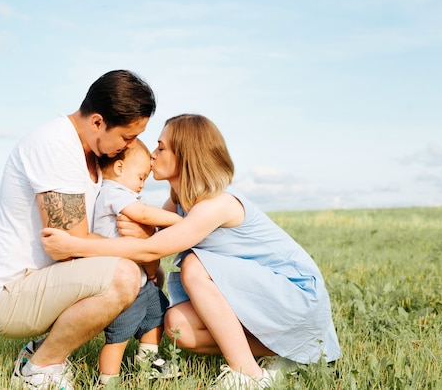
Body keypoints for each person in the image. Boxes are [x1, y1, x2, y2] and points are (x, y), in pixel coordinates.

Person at [40, 114, 342, 390]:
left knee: (195, 266)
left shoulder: (217, 205)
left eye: (161, 148)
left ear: (184, 156)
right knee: (176, 326)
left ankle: (249, 375)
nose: (152, 154)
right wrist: (147, 237)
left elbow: (154, 247)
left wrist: (76, 245)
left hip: (296, 297)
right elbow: (152, 248)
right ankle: (287, 352)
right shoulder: (178, 202)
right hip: (263, 298)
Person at [0, 70, 157, 390]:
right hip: (9, 295)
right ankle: (39, 370)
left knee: (127, 272)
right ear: (97, 122)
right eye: (127, 137)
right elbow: (71, 248)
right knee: (124, 275)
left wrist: (141, 237)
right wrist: (143, 250)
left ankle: (36, 355)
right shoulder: (56, 145)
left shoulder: (96, 154)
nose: (130, 146)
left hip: (44, 284)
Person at [93, 138, 183, 386]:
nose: (143, 185)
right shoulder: (112, 192)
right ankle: (107, 379)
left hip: (141, 281)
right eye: (141, 177)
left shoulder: (124, 193)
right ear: (120, 168)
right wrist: (183, 222)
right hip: (122, 284)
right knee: (119, 335)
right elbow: (143, 214)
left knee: (156, 315)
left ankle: (148, 361)